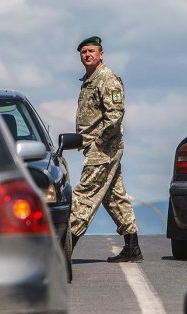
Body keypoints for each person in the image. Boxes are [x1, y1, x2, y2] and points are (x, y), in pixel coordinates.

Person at [69, 36, 142, 263]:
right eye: (83, 52)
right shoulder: (90, 79)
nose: (87, 55)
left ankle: (64, 246)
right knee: (114, 197)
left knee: (85, 194)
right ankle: (133, 246)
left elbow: (115, 115)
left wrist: (99, 141)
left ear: (101, 54)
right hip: (96, 147)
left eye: (91, 51)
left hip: (103, 148)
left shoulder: (107, 79)